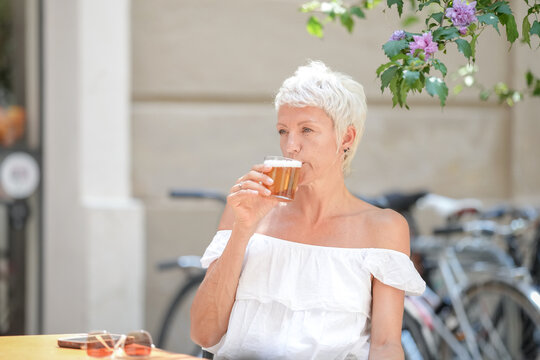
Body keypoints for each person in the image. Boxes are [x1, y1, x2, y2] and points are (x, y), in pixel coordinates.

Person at [190, 61, 426, 360]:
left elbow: (385, 346)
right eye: (283, 130)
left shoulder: (384, 228)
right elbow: (204, 333)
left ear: (346, 138)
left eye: (307, 130)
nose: (291, 146)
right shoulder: (246, 212)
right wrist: (243, 229)